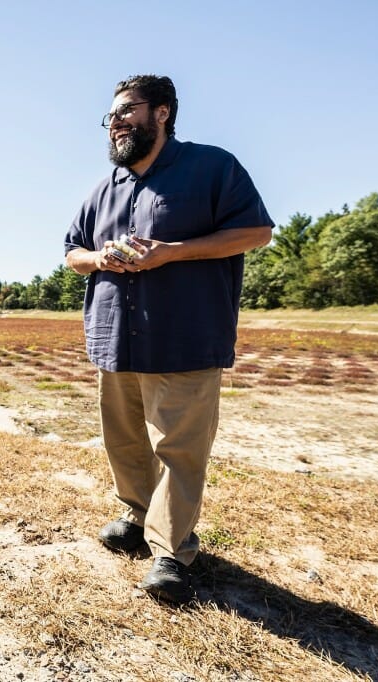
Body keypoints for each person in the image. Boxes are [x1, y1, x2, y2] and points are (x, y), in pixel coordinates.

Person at [64, 75, 273, 605]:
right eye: (109, 116)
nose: (115, 123)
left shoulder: (212, 167)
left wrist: (170, 251)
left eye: (125, 111)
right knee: (126, 440)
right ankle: (136, 515)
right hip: (115, 338)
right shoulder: (102, 189)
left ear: (162, 113)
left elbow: (256, 232)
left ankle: (171, 550)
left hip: (184, 335)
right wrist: (100, 258)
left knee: (179, 449)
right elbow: (71, 252)